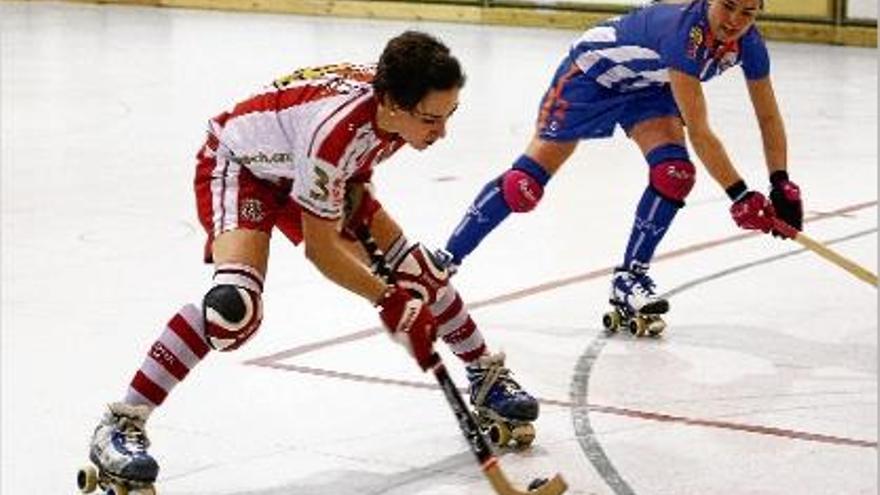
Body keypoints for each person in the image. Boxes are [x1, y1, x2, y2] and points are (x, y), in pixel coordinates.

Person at [85, 31, 538, 489]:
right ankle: (122, 423)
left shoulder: (394, 116)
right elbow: (322, 250)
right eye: (430, 119)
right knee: (233, 310)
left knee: (420, 271)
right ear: (394, 104)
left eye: (449, 115)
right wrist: (389, 301)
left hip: (308, 167)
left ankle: (485, 375)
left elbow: (355, 162)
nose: (441, 132)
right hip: (243, 169)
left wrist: (366, 204)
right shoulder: (335, 131)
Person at [439, 0, 803, 332]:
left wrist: (780, 182)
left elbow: (768, 116)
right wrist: (739, 194)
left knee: (674, 175)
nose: (736, 20)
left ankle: (631, 278)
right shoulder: (686, 36)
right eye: (729, 6)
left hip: (648, 86)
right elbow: (701, 131)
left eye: (749, 13)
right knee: (523, 187)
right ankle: (443, 262)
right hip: (592, 76)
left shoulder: (749, 43)